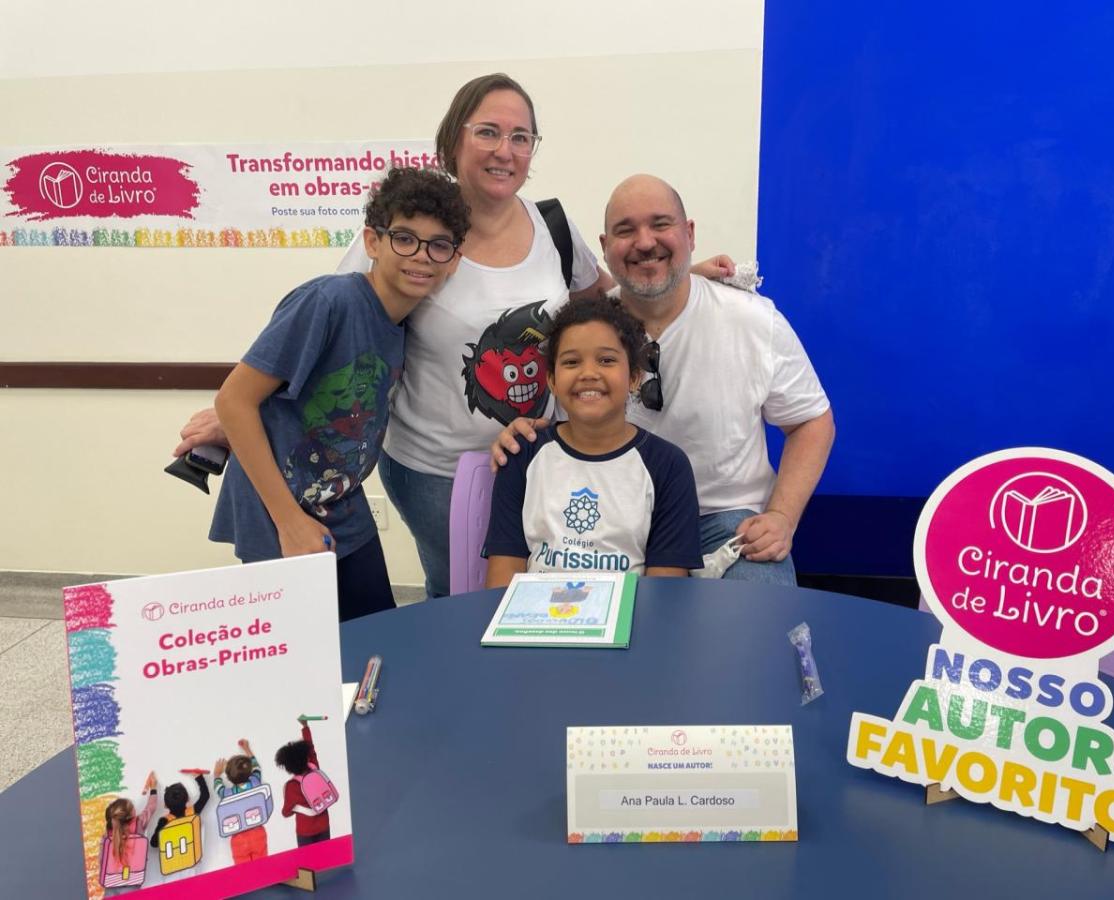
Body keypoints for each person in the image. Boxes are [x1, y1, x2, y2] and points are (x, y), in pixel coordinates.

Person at [176, 73, 732, 600]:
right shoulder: (417, 229)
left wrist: (676, 277)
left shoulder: (553, 227)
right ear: (453, 140)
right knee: (455, 599)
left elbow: (601, 301)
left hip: (530, 457)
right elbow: (345, 330)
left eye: (521, 136)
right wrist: (242, 412)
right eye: (487, 131)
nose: (504, 149)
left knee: (532, 589)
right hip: (433, 472)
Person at [495, 174, 835, 585]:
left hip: (724, 524)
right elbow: (561, 415)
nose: (643, 242)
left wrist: (781, 516)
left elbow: (812, 421)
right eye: (625, 230)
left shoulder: (753, 321)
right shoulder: (586, 331)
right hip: (612, 522)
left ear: (689, 234)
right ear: (604, 248)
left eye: (660, 224)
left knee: (761, 627)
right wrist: (523, 430)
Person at [207, 166, 470, 621]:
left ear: (454, 261)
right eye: (405, 238)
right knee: (307, 665)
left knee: (378, 644)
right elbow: (234, 400)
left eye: (439, 245)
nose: (421, 256)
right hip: (279, 519)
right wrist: (290, 523)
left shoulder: (403, 325)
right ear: (372, 242)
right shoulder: (329, 301)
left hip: (344, 510)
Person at [484, 296, 702, 587]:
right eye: (572, 362)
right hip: (535, 626)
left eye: (607, 360)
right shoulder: (522, 454)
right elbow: (502, 580)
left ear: (635, 377)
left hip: (630, 625)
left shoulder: (668, 466)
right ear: (551, 380)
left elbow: (665, 592)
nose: (588, 374)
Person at [276, 717, 334, 846]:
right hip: (324, 825)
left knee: (308, 864)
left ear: (287, 767)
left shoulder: (292, 786)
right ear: (306, 756)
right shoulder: (314, 768)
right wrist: (305, 726)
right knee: (327, 858)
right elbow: (311, 748)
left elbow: (286, 813)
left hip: (305, 831)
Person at [213, 740, 269, 864]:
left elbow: (218, 788)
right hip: (258, 833)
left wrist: (217, 775)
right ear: (249, 773)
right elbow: (257, 767)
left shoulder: (228, 794)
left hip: (239, 839)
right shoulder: (255, 782)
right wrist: (247, 750)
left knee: (243, 873)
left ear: (228, 777)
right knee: (263, 867)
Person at [100, 772, 157, 891]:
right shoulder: (139, 824)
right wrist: (154, 788)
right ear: (132, 815)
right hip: (133, 886)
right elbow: (151, 807)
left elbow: (102, 860)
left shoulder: (107, 834)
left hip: (111, 886)